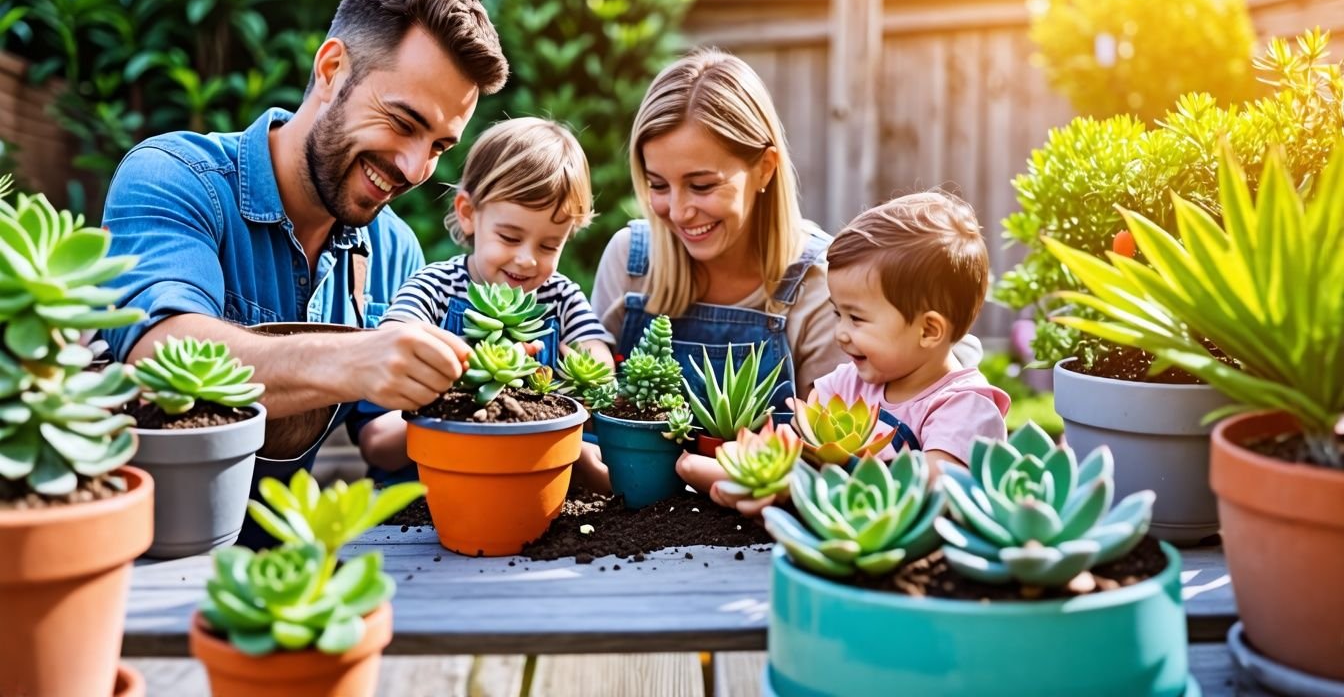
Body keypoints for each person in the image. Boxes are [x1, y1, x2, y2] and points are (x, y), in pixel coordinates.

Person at [98, 0, 509, 490]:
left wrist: (473, 401)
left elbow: (378, 431)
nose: (413, 168)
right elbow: (160, 350)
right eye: (404, 123)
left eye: (437, 147)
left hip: (296, 557)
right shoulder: (172, 176)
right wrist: (353, 357)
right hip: (149, 554)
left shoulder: (395, 250)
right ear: (332, 68)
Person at [707, 192, 1012, 515]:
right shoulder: (848, 384)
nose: (840, 333)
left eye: (856, 318)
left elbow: (931, 486)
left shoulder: (965, 407)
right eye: (837, 314)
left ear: (928, 331)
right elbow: (802, 443)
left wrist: (804, 486)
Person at [357, 117, 615, 478]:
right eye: (509, 237)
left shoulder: (561, 295)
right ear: (468, 214)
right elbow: (392, 340)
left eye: (548, 244)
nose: (527, 259)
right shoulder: (436, 286)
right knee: (380, 436)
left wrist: (587, 373)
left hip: (526, 470)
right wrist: (468, 371)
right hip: (430, 472)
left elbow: (597, 359)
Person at [590, 48, 841, 420]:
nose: (677, 212)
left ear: (765, 169)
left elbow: (824, 452)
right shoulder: (630, 261)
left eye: (702, 185)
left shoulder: (822, 284)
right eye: (658, 185)